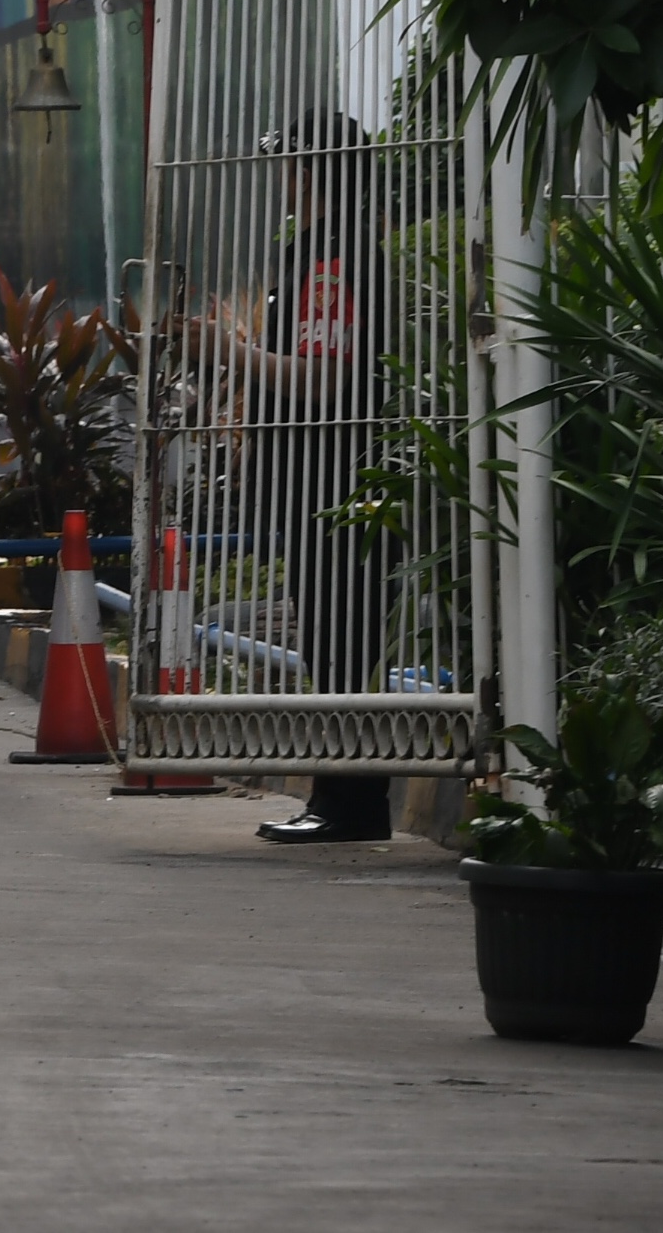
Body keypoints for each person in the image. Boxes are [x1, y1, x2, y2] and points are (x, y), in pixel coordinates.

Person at [205, 109, 396, 845]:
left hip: (333, 476)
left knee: (340, 638)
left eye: (290, 164)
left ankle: (347, 804)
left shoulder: (334, 256)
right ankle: (346, 801)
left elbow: (322, 381)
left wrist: (233, 351)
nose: (283, 179)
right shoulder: (323, 252)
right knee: (331, 636)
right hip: (322, 477)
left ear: (313, 171)